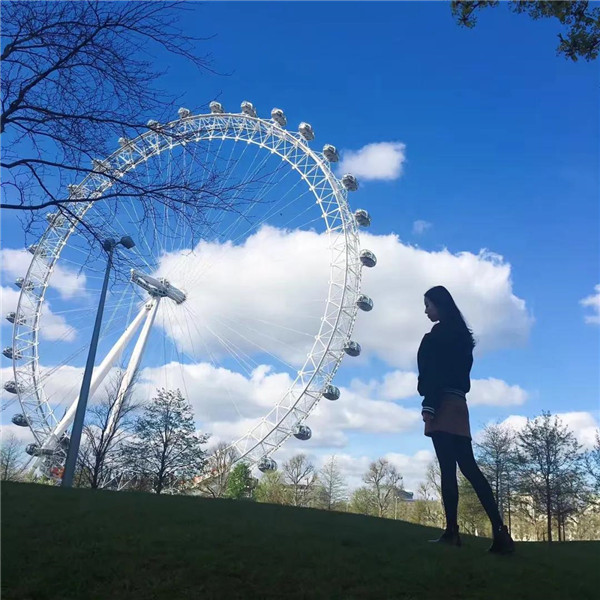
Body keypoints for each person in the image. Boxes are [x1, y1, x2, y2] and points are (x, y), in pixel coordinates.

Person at [417, 285, 514, 554]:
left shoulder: (436, 337)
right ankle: (500, 532)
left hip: (441, 403)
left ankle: (452, 532)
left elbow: (433, 373)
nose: (426, 311)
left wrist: (429, 404)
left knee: (448, 470)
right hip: (460, 404)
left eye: (428, 305)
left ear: (440, 305)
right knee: (471, 469)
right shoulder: (463, 338)